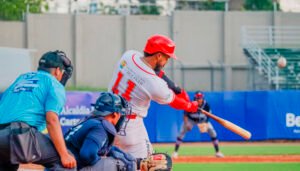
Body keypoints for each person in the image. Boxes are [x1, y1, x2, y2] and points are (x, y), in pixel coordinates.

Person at [108, 34, 199, 158]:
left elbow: (154, 71)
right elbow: (175, 101)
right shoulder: (155, 84)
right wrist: (190, 106)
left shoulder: (129, 55)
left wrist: (175, 87)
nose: (167, 61)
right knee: (148, 165)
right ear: (159, 55)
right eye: (167, 57)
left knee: (111, 164)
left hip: (107, 119)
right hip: (129, 126)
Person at [0, 50, 76, 171]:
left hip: (1, 135)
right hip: (20, 134)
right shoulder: (54, 84)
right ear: (57, 70)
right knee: (66, 162)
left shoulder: (21, 78)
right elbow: (52, 120)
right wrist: (64, 154)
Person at [64, 92, 172, 171]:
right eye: (121, 114)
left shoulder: (92, 121)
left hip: (63, 165)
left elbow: (109, 150)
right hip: (68, 167)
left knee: (121, 159)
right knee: (119, 164)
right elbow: (87, 155)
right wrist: (102, 161)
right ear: (115, 114)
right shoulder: (101, 128)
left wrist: (138, 162)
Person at [172, 91, 224, 158]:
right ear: (195, 98)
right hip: (191, 120)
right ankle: (175, 152)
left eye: (200, 98)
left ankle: (218, 152)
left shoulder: (206, 105)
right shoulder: (190, 104)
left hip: (203, 120)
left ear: (203, 98)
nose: (199, 99)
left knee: (213, 132)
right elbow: (185, 115)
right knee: (181, 133)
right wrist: (187, 124)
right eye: (197, 98)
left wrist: (206, 122)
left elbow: (209, 115)